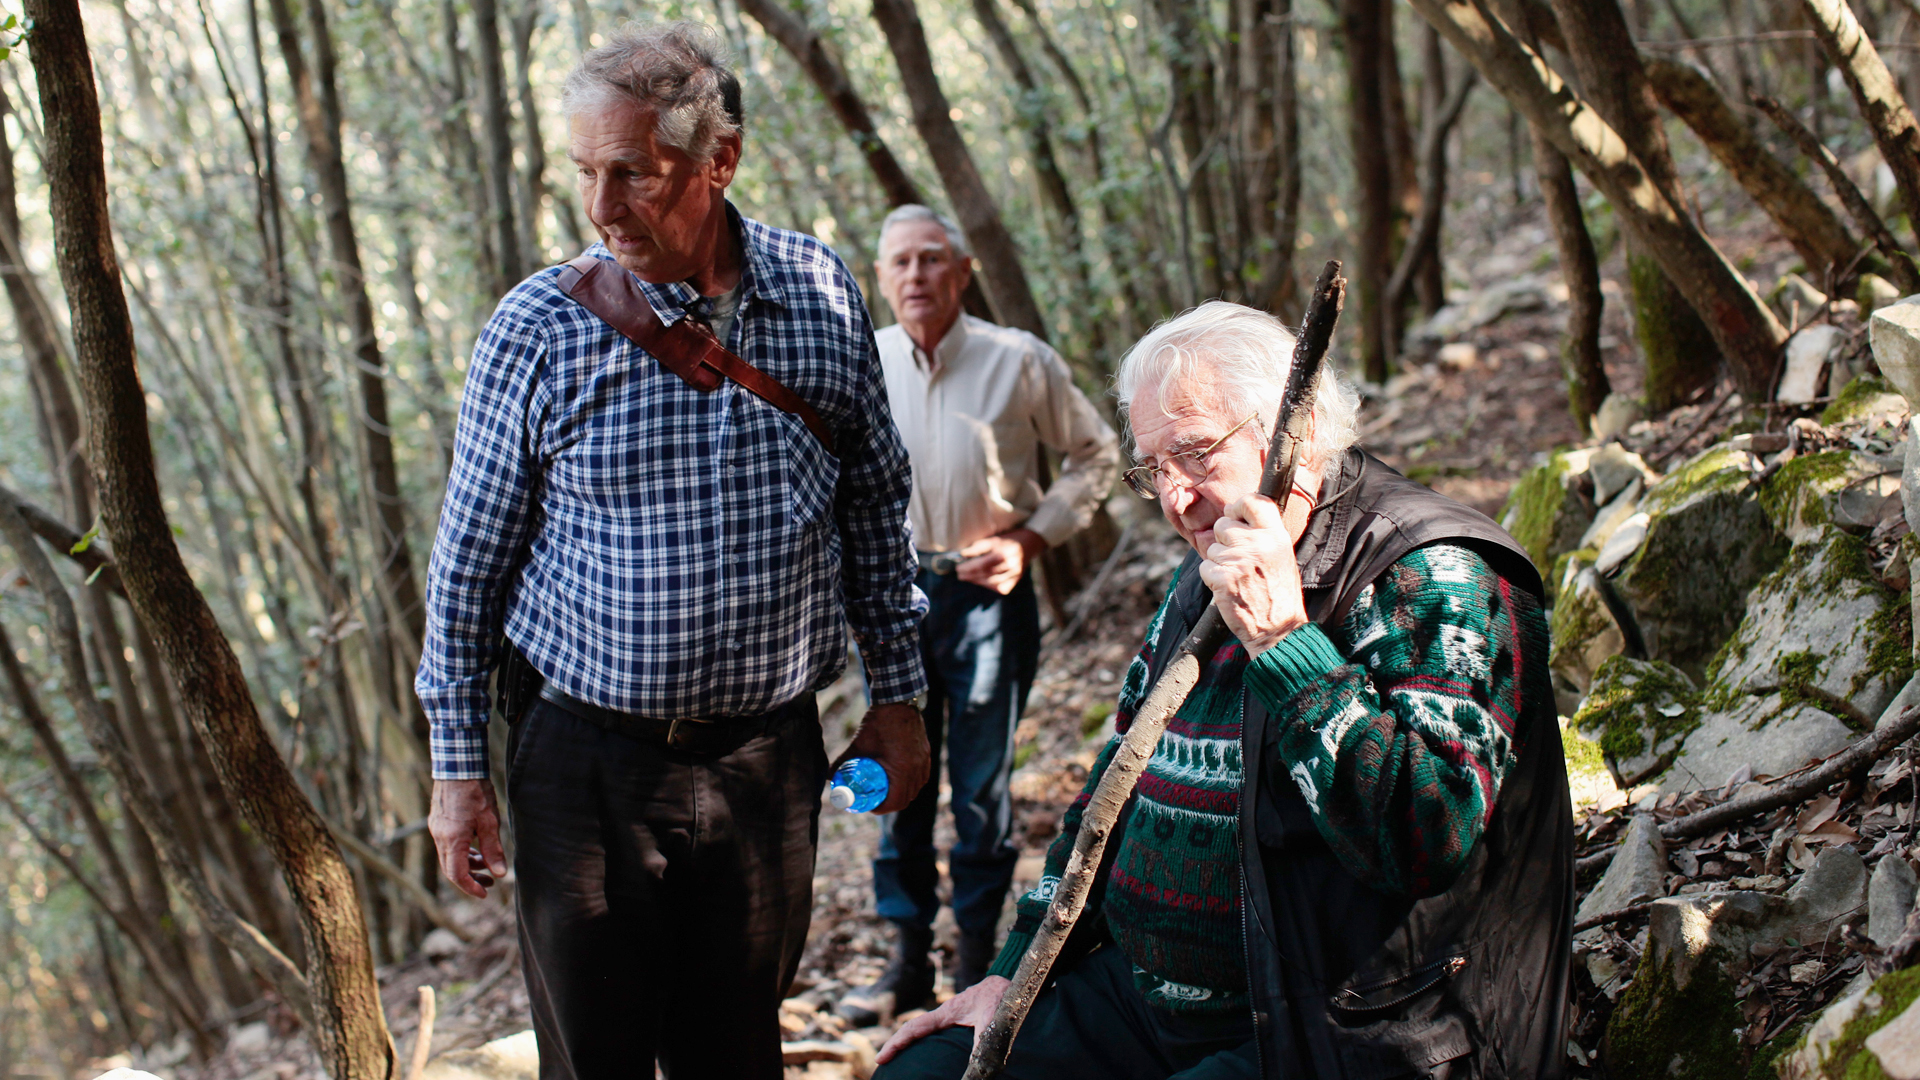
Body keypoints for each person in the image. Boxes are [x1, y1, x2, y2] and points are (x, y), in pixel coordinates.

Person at [415, 23, 931, 1079]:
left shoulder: (821, 293)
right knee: (596, 1061)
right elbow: (468, 565)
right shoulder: (538, 330)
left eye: (634, 176)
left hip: (766, 761)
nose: (603, 209)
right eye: (586, 175)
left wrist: (899, 697)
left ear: (718, 163)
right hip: (585, 767)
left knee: (735, 1054)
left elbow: (875, 506)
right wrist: (457, 771)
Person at [874, 302, 1572, 1080]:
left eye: (1196, 453)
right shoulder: (1206, 570)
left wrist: (1284, 642)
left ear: (1292, 432)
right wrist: (1013, 971)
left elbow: (1426, 836)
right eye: (1152, 470)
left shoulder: (1438, 572)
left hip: (1350, 1024)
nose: (1176, 499)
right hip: (1146, 1004)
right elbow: (1115, 787)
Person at [838, 206, 1121, 1025]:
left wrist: (1031, 540)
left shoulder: (1017, 360)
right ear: (882, 277)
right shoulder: (861, 363)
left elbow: (1097, 452)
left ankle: (976, 964)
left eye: (934, 260)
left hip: (989, 592)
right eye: (902, 263)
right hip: (889, 603)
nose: (918, 276)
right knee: (891, 779)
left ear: (962, 272)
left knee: (981, 786)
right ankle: (903, 962)